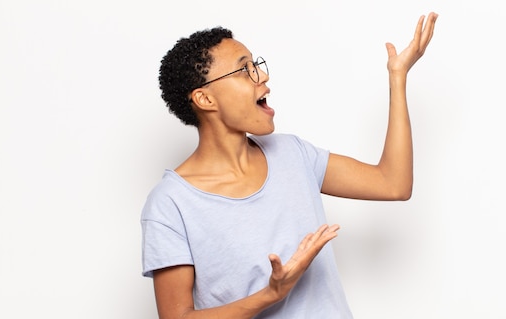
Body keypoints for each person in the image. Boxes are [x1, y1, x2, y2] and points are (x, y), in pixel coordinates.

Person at [141, 12, 438, 319]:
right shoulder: (171, 203)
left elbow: (393, 184)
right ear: (205, 99)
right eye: (244, 70)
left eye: (256, 65)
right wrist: (271, 294)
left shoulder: (292, 154)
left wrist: (397, 76)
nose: (262, 76)